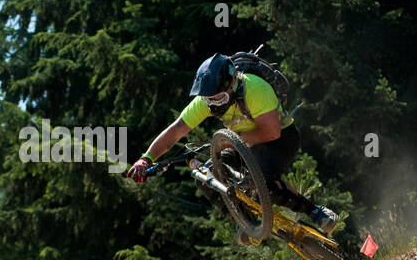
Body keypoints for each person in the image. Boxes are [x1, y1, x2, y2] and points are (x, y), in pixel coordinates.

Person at [127, 53, 339, 236]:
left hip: (280, 138)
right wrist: (146, 158)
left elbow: (271, 132)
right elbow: (175, 131)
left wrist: (232, 141)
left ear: (232, 84)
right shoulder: (207, 100)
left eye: (218, 99)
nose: (213, 105)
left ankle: (315, 211)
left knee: (262, 182)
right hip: (240, 142)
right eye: (209, 100)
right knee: (206, 177)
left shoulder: (254, 89)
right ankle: (244, 222)